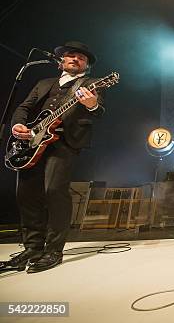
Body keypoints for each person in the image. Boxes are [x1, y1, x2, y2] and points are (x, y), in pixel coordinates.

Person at [2, 41, 105, 273]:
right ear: (61, 62)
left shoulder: (90, 84)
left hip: (63, 143)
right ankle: (32, 248)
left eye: (81, 57)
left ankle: (53, 250)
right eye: (71, 56)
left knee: (54, 191)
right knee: (26, 194)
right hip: (31, 144)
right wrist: (18, 125)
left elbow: (99, 111)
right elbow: (23, 108)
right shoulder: (44, 84)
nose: (75, 59)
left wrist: (92, 104)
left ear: (86, 65)